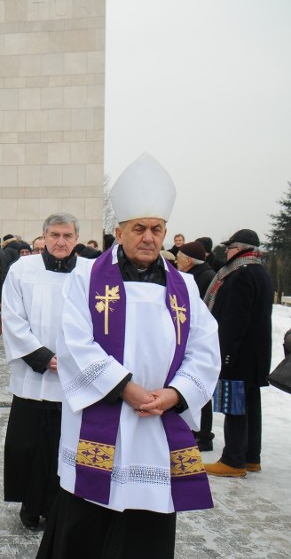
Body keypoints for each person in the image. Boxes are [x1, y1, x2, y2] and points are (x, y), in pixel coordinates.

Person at [38, 154, 220, 558]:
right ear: (118, 232)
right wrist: (126, 388)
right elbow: (73, 343)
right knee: (86, 522)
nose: (148, 237)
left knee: (146, 524)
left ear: (166, 233)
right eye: (139, 228)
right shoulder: (85, 277)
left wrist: (174, 395)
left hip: (156, 424)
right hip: (101, 418)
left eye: (156, 229)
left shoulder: (185, 288)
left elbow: (206, 351)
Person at [2, 213, 83, 530]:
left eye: (67, 235)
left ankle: (59, 508)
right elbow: (12, 317)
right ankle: (30, 505)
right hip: (33, 378)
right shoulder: (22, 270)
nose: (61, 242)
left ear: (76, 238)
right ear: (44, 237)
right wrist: (44, 357)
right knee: (29, 447)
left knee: (64, 447)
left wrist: (75, 362)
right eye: (54, 235)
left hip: (74, 379)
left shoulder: (90, 274)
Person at [204, 229, 273, 478]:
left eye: (230, 247)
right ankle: (251, 457)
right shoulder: (259, 271)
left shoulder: (240, 274)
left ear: (241, 248)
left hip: (239, 354)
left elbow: (235, 320)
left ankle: (233, 460)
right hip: (255, 354)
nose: (227, 252)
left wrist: (226, 355)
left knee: (235, 406)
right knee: (251, 405)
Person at [175, 240, 217, 451]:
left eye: (179, 258)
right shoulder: (200, 275)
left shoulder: (201, 278)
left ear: (189, 261)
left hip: (201, 339)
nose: (176, 261)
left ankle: (203, 434)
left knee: (201, 389)